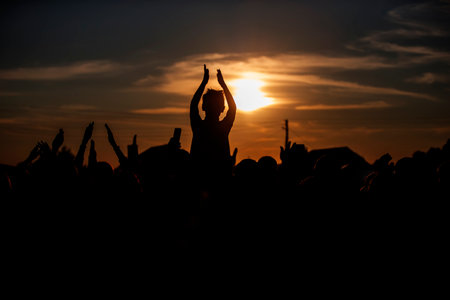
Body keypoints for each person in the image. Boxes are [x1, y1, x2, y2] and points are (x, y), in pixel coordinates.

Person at [190, 65, 236, 179]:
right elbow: (233, 108)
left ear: (203, 107)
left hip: (198, 178)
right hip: (219, 179)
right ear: (222, 109)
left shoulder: (199, 127)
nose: (213, 107)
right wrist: (223, 84)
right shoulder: (223, 128)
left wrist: (204, 82)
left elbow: (193, 105)